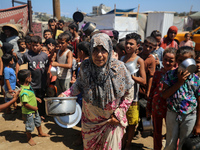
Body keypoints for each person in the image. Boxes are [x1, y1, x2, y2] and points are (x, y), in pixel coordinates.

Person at [59, 33, 134, 150]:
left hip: (111, 122)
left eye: (103, 50)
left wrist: (119, 113)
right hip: (90, 123)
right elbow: (79, 84)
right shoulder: (85, 66)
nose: (99, 55)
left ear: (109, 51)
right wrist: (65, 94)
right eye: (95, 50)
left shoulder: (119, 68)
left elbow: (129, 92)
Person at [162, 46, 200, 150]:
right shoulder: (169, 75)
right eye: (180, 60)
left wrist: (198, 124)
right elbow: (164, 95)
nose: (183, 63)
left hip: (189, 115)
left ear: (192, 60)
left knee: (185, 144)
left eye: (186, 60)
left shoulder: (196, 79)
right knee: (170, 143)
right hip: (172, 113)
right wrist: (180, 82)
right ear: (176, 60)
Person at [146, 48, 177, 150]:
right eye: (165, 59)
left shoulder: (177, 75)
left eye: (171, 60)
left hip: (171, 108)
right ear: (161, 59)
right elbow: (152, 91)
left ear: (176, 61)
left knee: (172, 132)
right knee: (157, 132)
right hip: (157, 106)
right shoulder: (158, 73)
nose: (167, 62)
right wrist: (148, 107)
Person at [121, 33, 146, 150]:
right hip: (121, 97)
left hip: (133, 99)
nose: (128, 46)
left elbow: (143, 80)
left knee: (131, 124)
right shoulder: (121, 58)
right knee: (121, 123)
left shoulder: (139, 61)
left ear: (138, 46)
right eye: (127, 43)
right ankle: (120, 143)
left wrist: (131, 77)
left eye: (131, 44)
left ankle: (127, 145)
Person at [16, 36, 49, 121]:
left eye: (37, 45)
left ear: (41, 45)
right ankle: (31, 115)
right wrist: (18, 76)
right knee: (31, 99)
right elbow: (18, 64)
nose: (34, 47)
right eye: (33, 45)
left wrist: (48, 79)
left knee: (41, 99)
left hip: (42, 82)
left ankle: (41, 114)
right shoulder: (27, 55)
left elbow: (47, 68)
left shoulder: (44, 55)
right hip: (31, 83)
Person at [18, 69, 49, 146]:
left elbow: (31, 95)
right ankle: (29, 138)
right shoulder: (24, 92)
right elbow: (25, 104)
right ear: (27, 79)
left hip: (34, 111)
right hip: (29, 112)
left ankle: (40, 133)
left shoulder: (28, 87)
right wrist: (34, 108)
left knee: (38, 121)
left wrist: (36, 98)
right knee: (29, 125)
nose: (31, 77)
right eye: (30, 76)